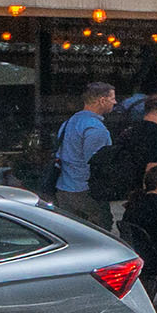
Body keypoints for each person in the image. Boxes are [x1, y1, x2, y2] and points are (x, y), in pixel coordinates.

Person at [51, 83, 118, 228]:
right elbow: (97, 164)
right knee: (100, 232)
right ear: (102, 100)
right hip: (87, 191)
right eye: (112, 98)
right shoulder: (95, 128)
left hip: (64, 188)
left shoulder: (68, 123)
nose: (115, 102)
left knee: (71, 232)